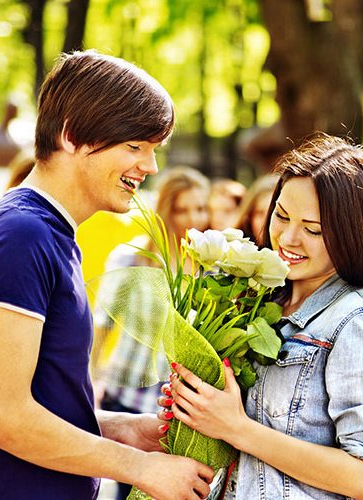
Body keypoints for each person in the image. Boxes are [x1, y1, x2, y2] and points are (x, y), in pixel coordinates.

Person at [0, 50, 213, 500]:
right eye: (135, 147)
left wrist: (119, 428)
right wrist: (141, 468)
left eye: (152, 151)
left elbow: (32, 400)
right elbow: (0, 416)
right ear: (72, 135)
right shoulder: (22, 234)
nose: (150, 167)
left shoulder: (45, 231)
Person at [160, 134, 363, 499]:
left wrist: (237, 428)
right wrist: (194, 406)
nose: (288, 238)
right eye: (281, 215)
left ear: (351, 234)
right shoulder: (256, 299)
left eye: (313, 229)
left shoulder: (356, 322)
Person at [94, 166, 211, 500]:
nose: (192, 217)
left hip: (175, 407)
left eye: (200, 208)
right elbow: (101, 327)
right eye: (182, 208)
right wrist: (91, 381)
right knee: (126, 490)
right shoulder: (132, 260)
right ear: (166, 209)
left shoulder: (214, 269)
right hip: (127, 397)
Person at [234, 173, 279, 245]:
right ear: (249, 218)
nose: (266, 221)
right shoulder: (233, 251)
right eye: (260, 213)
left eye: (274, 213)